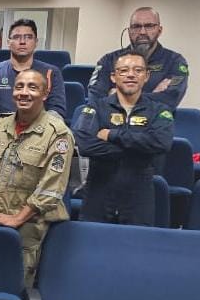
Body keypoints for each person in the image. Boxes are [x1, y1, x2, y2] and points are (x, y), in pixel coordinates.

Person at [0, 70, 73, 286]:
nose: (24, 93)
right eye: (19, 87)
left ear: (45, 94)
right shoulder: (0, 125)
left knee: (15, 287)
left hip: (29, 227)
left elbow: (51, 189)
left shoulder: (58, 134)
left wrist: (17, 219)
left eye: (32, 87)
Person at [73, 53, 174, 226]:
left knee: (136, 250)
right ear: (113, 76)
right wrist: (137, 150)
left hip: (139, 197)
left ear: (146, 76)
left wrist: (112, 135)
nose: (130, 75)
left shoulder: (160, 111)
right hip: (98, 193)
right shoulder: (95, 107)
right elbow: (84, 144)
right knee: (94, 248)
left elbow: (161, 143)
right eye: (123, 70)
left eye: (138, 70)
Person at [87, 7, 189, 109]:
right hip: (113, 123)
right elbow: (95, 99)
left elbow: (170, 99)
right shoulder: (108, 61)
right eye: (136, 27)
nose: (142, 32)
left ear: (159, 30)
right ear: (129, 31)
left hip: (156, 124)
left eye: (149, 26)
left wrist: (118, 96)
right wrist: (153, 95)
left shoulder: (175, 62)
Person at [0, 19, 67, 123]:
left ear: (36, 42)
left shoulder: (51, 73)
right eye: (17, 37)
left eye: (28, 37)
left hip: (39, 135)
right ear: (8, 42)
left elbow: (57, 111)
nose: (22, 42)